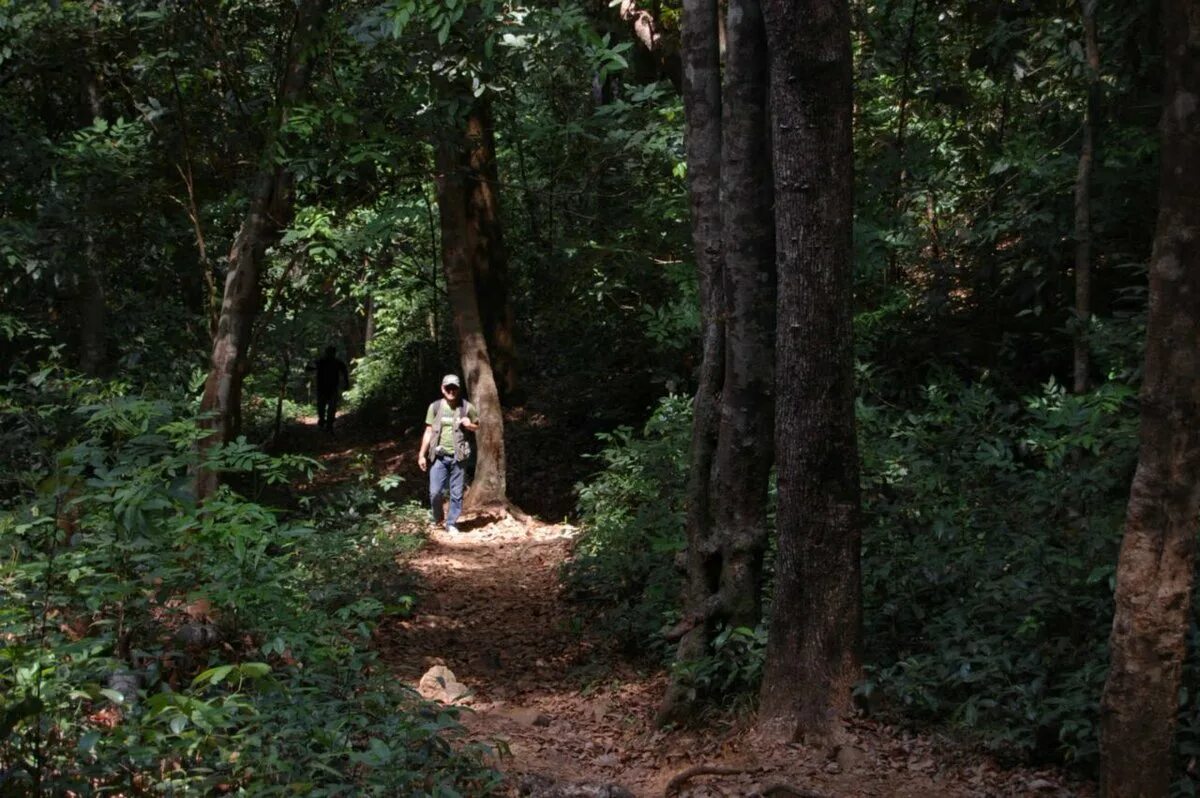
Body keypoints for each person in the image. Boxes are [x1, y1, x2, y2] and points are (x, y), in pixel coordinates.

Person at [417, 374, 479, 534]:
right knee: (435, 492)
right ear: (442, 388)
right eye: (448, 387)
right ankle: (438, 518)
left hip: (459, 457)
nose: (451, 391)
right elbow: (429, 430)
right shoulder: (435, 407)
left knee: (456, 493)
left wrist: (469, 424)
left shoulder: (467, 407)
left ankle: (451, 522)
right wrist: (421, 454)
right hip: (439, 457)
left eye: (454, 388)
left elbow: (477, 426)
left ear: (458, 389)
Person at [308, 346, 349, 431]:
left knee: (325, 406)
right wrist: (346, 383)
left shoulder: (323, 361)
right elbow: (344, 372)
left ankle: (326, 422)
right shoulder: (331, 362)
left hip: (326, 388)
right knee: (327, 406)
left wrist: (346, 383)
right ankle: (326, 422)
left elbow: (344, 372)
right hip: (327, 387)